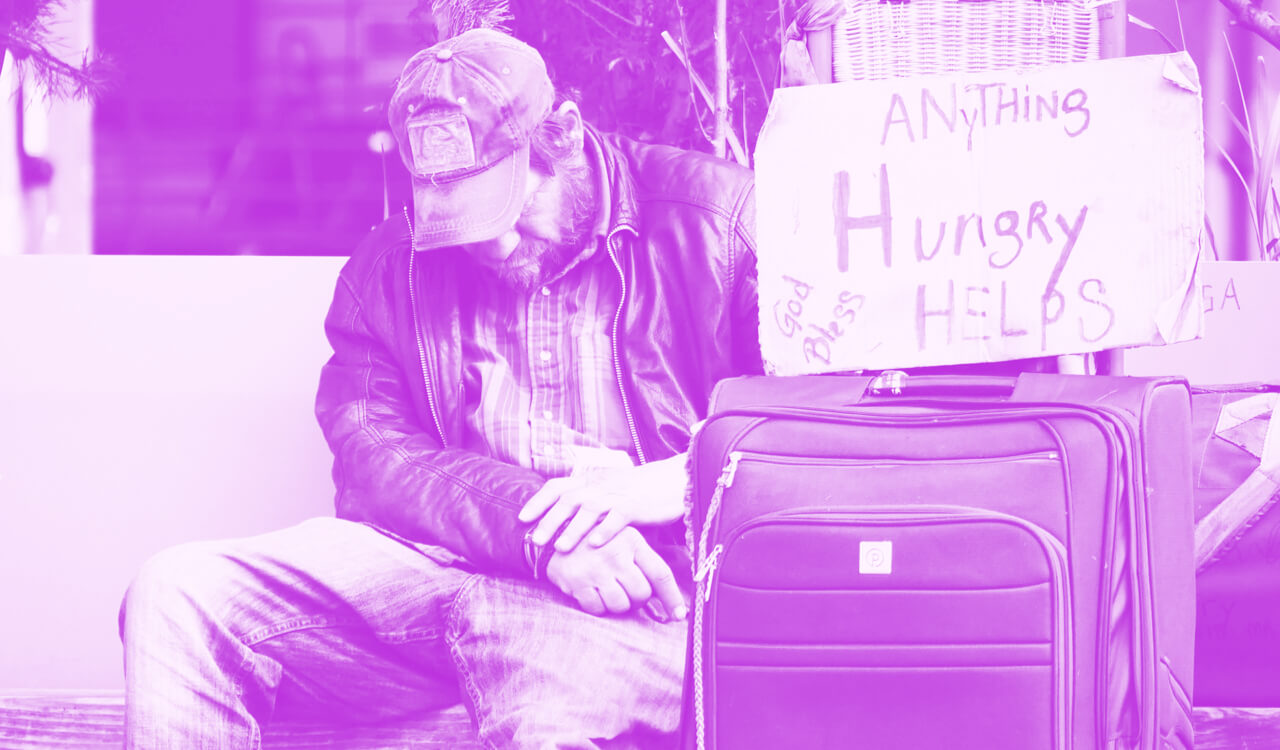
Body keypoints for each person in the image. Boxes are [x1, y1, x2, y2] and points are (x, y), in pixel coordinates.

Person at [119, 28, 760, 749]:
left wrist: (672, 483)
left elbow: (816, 441)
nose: (494, 247)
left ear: (566, 135)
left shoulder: (718, 225)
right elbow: (373, 460)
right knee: (177, 594)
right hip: (433, 569)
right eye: (461, 221)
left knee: (546, 733)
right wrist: (537, 532)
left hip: (616, 600)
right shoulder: (392, 268)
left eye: (507, 208)